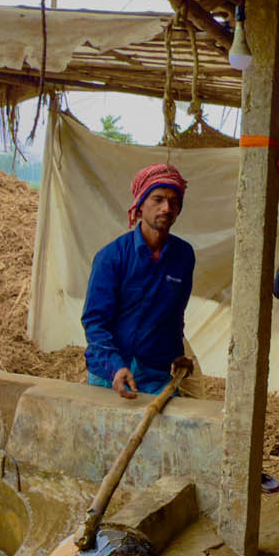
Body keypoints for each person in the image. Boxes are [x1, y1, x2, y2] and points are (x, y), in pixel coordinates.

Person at [82, 161, 194, 400]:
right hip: (108, 377)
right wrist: (115, 367)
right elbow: (95, 321)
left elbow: (174, 317)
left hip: (155, 377)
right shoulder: (111, 256)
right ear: (140, 205)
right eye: (158, 199)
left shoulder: (183, 256)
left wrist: (177, 354)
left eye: (174, 202)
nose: (166, 207)